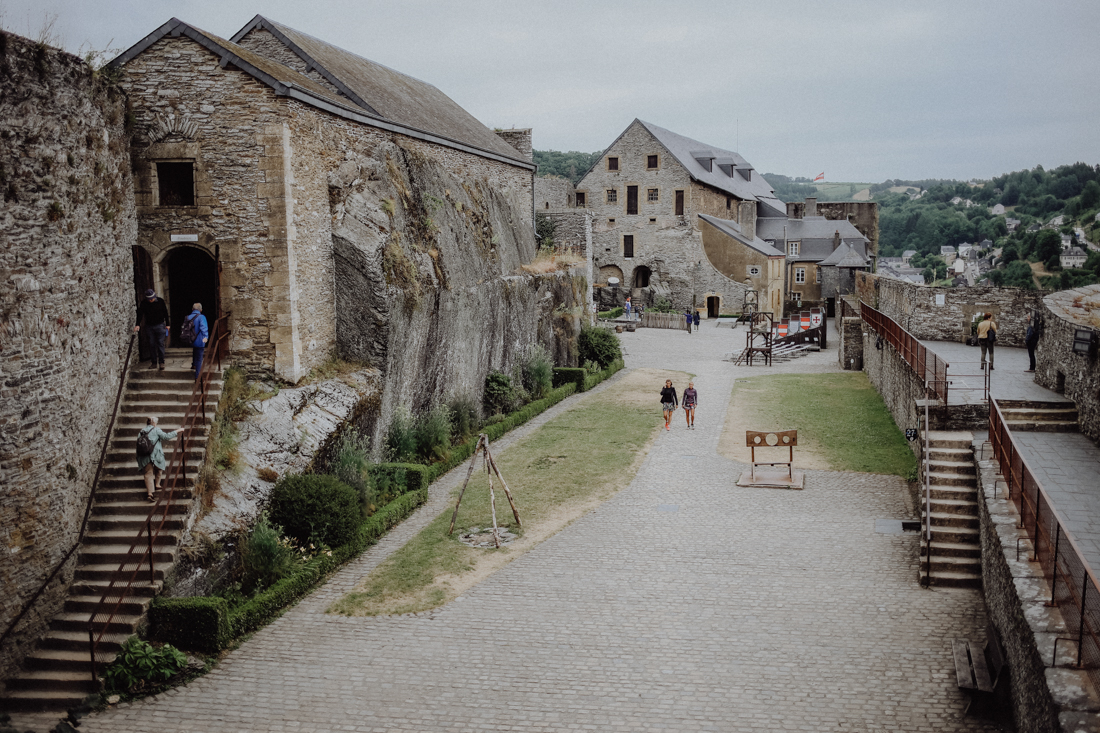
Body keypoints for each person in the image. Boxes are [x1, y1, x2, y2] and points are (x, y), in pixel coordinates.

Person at [136, 416, 182, 501]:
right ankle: (157, 484)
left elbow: (138, 445)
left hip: (144, 456)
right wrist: (178, 431)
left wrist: (138, 458)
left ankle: (150, 494)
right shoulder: (156, 430)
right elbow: (166, 437)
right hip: (156, 455)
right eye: (156, 423)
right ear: (153, 423)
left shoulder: (141, 432)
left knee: (148, 474)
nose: (156, 424)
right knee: (159, 468)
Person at [134, 288, 169, 371]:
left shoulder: (160, 301)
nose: (151, 300)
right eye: (149, 299)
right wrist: (137, 324)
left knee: (160, 343)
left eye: (152, 298)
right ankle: (154, 362)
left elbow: (165, 312)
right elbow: (140, 314)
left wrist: (168, 324)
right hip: (149, 326)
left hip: (160, 325)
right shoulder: (144, 303)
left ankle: (161, 362)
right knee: (151, 344)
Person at [184, 303, 210, 379]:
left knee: (195, 350)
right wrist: (206, 337)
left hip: (190, 340)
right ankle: (198, 377)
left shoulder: (188, 317)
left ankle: (193, 364)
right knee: (199, 358)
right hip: (199, 340)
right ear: (201, 310)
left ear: (192, 309)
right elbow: (203, 328)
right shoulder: (201, 317)